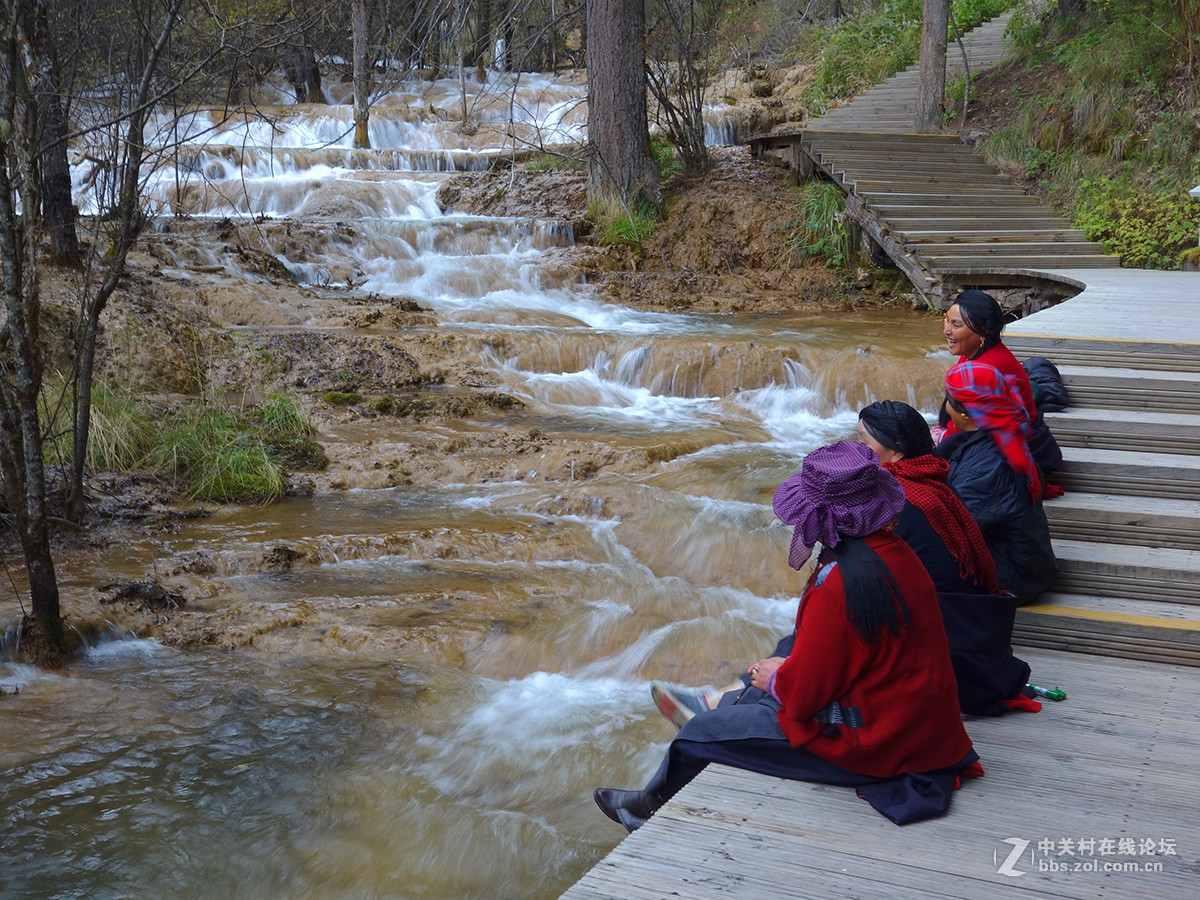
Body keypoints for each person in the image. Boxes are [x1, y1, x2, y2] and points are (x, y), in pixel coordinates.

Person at [593, 441, 981, 833]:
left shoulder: (840, 583)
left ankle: (646, 810)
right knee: (787, 648)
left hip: (877, 743)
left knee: (699, 734)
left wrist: (776, 679)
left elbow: (804, 697)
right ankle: (732, 703)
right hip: (919, 726)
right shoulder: (895, 552)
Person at [655, 400, 1034, 725]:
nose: (856, 448)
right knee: (811, 633)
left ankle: (723, 706)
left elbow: (860, 589)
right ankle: (724, 700)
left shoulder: (895, 503)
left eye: (863, 440)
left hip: (951, 657)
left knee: (813, 638)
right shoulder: (932, 482)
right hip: (978, 635)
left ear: (895, 452)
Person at [937, 361, 1057, 606]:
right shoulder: (1001, 435)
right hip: (1021, 565)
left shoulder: (989, 465)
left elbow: (955, 530)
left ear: (963, 412)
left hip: (1013, 580)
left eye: (947, 399)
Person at [940, 289, 1063, 485]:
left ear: (982, 332)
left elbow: (971, 427)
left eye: (956, 325)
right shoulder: (977, 351)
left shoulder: (988, 368)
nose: (947, 330)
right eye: (947, 321)